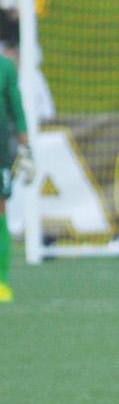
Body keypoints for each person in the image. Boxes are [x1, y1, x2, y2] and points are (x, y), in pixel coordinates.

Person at [0, 47, 30, 303]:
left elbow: (16, 107)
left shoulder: (5, 67)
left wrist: (26, 147)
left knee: (0, 210)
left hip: (0, 150)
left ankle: (1, 281)